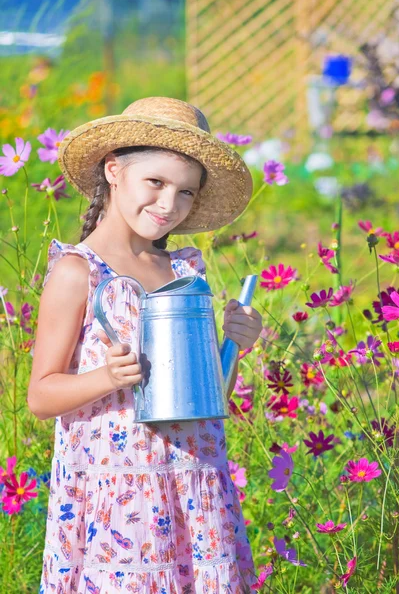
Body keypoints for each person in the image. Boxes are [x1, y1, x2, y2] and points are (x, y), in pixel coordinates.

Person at [28, 96, 262, 593]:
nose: (167, 205)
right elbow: (41, 396)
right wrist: (106, 378)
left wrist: (234, 345)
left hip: (194, 484)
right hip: (119, 503)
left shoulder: (184, 272)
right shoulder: (79, 272)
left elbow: (208, 396)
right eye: (155, 182)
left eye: (185, 193)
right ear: (114, 171)